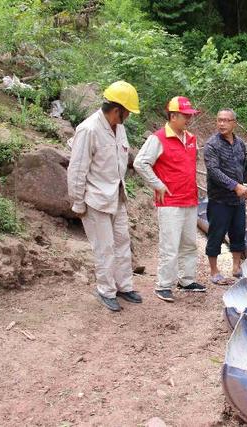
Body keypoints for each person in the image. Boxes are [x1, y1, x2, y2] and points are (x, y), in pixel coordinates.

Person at [67, 80, 142, 312]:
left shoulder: (119, 129)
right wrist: (77, 202)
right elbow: (77, 169)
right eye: (127, 112)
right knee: (104, 247)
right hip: (95, 200)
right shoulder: (89, 129)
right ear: (117, 109)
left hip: (116, 197)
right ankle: (105, 290)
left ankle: (124, 285)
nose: (128, 116)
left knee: (122, 242)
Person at [133, 96, 206, 302]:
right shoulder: (158, 138)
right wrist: (157, 184)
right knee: (170, 245)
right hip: (170, 201)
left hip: (190, 199)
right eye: (185, 116)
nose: (188, 119)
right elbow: (141, 163)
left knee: (189, 243)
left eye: (190, 116)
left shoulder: (191, 139)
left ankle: (187, 279)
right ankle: (163, 284)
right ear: (173, 116)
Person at [203, 109, 247, 284]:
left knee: (238, 232)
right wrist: (235, 186)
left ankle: (236, 267)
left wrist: (243, 187)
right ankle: (214, 271)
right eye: (219, 120)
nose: (222, 123)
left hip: (238, 199)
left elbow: (241, 168)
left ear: (234, 123)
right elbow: (214, 171)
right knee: (216, 233)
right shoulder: (212, 145)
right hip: (219, 199)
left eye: (226, 120)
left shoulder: (240, 144)